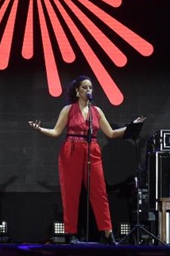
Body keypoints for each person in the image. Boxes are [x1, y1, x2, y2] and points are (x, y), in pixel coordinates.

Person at [28, 74, 146, 245]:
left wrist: (131, 125)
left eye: (90, 87)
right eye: (84, 87)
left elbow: (111, 134)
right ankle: (71, 233)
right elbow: (55, 132)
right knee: (71, 193)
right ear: (77, 90)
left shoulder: (96, 111)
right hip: (72, 149)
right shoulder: (68, 109)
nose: (88, 90)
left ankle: (107, 233)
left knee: (99, 193)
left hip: (92, 150)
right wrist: (40, 129)